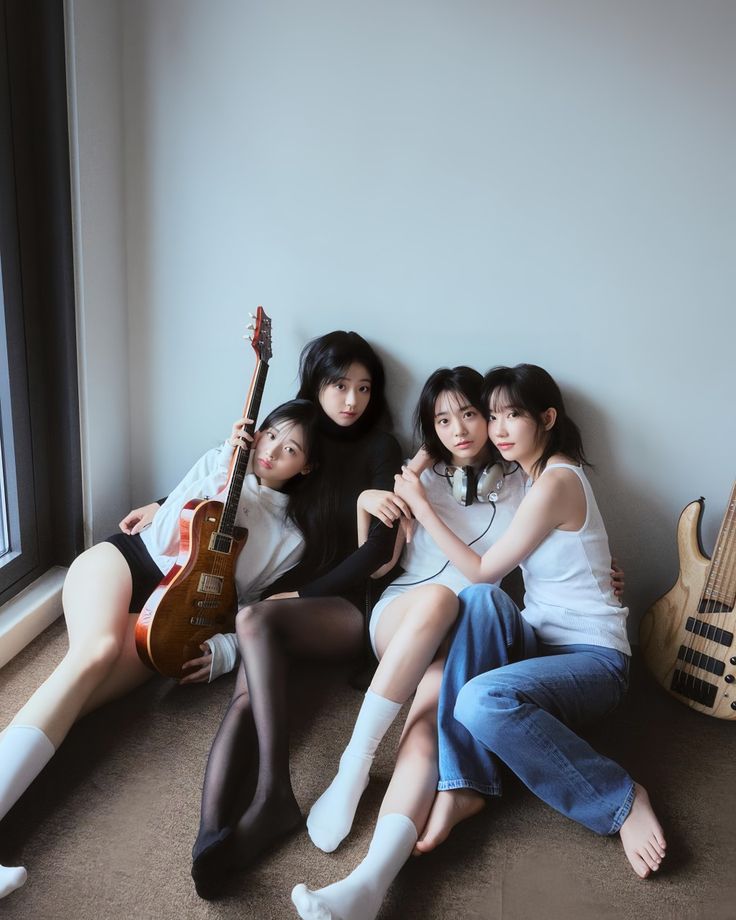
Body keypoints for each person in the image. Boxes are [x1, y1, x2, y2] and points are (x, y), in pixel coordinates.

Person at [291, 363, 649, 920]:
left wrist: (607, 570)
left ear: (541, 419)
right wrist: (402, 484)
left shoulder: (532, 482)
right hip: (413, 617)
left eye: (480, 415)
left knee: (458, 664)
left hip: (532, 642)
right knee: (459, 601)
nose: (474, 429)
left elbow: (518, 560)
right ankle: (356, 768)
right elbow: (379, 559)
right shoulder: (436, 477)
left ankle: (369, 882)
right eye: (445, 420)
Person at [0, 398, 322, 900]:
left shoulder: (291, 538)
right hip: (127, 563)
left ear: (306, 467)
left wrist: (225, 652)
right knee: (95, 653)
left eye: (292, 448)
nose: (273, 449)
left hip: (168, 619)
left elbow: (250, 608)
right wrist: (223, 469)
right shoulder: (219, 462)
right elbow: (168, 533)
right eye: (271, 433)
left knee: (79, 700)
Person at [190, 331, 402, 898]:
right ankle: (210, 835)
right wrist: (162, 503)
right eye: (339, 385)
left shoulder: (381, 447)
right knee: (244, 697)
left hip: (349, 607)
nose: (351, 399)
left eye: (364, 388)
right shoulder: (296, 438)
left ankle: (274, 793)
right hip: (288, 606)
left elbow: (378, 550)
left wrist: (302, 597)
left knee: (255, 620)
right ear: (317, 383)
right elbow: (246, 494)